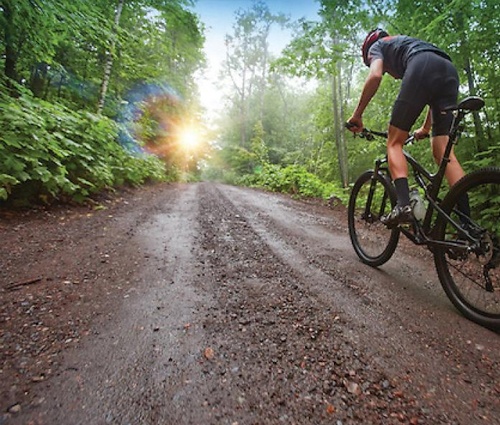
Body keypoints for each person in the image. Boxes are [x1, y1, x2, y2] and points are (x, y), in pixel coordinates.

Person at [347, 29, 469, 227]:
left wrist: (357, 114)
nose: (391, 76)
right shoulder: (407, 43)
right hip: (449, 70)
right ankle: (468, 223)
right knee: (444, 154)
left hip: (421, 65)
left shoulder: (377, 47)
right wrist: (425, 128)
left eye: (388, 70)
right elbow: (433, 96)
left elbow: (375, 75)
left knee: (394, 143)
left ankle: (403, 205)